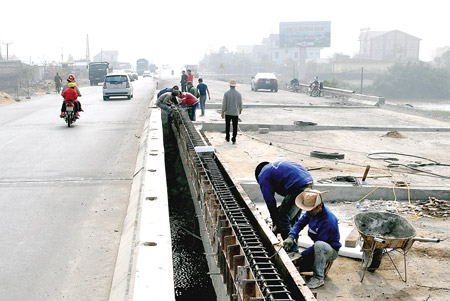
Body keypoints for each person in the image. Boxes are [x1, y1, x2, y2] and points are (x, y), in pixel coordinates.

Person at [283, 188, 341, 289]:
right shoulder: (312, 212)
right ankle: (318, 267)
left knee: (318, 245)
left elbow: (319, 245)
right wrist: (291, 237)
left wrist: (303, 255)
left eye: (310, 210)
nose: (307, 212)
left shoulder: (328, 221)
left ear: (320, 207)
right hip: (318, 248)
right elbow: (300, 224)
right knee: (300, 265)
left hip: (329, 250)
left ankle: (318, 278)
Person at [255, 160, 313, 242]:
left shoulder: (263, 175)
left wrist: (275, 220)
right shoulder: (273, 168)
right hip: (308, 184)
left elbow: (269, 200)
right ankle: (293, 246)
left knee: (283, 219)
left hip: (298, 186)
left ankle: (291, 250)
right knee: (292, 220)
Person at [221, 79, 242, 144]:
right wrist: (240, 110)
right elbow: (240, 104)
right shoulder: (238, 94)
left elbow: (224, 104)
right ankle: (234, 139)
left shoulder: (226, 94)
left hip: (228, 112)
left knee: (227, 125)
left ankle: (227, 137)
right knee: (235, 126)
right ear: (235, 86)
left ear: (230, 86)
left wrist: (222, 112)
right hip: (235, 113)